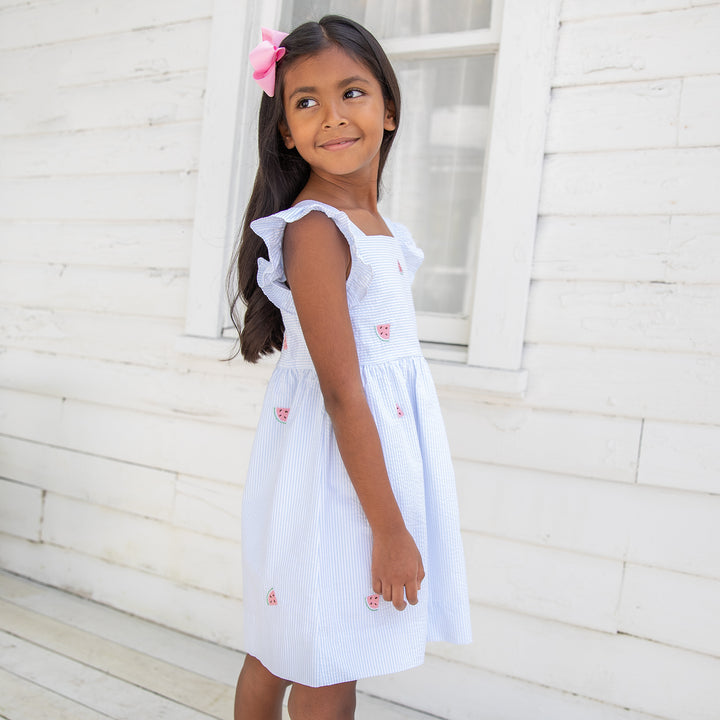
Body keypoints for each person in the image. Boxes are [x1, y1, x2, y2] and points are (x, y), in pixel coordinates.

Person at [226, 15, 472, 720]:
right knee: (327, 654)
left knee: (293, 641)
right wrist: (391, 531)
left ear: (388, 108)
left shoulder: (373, 225)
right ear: (285, 129)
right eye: (305, 102)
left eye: (352, 92)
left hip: (357, 463)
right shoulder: (316, 229)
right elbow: (341, 391)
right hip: (339, 478)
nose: (332, 117)